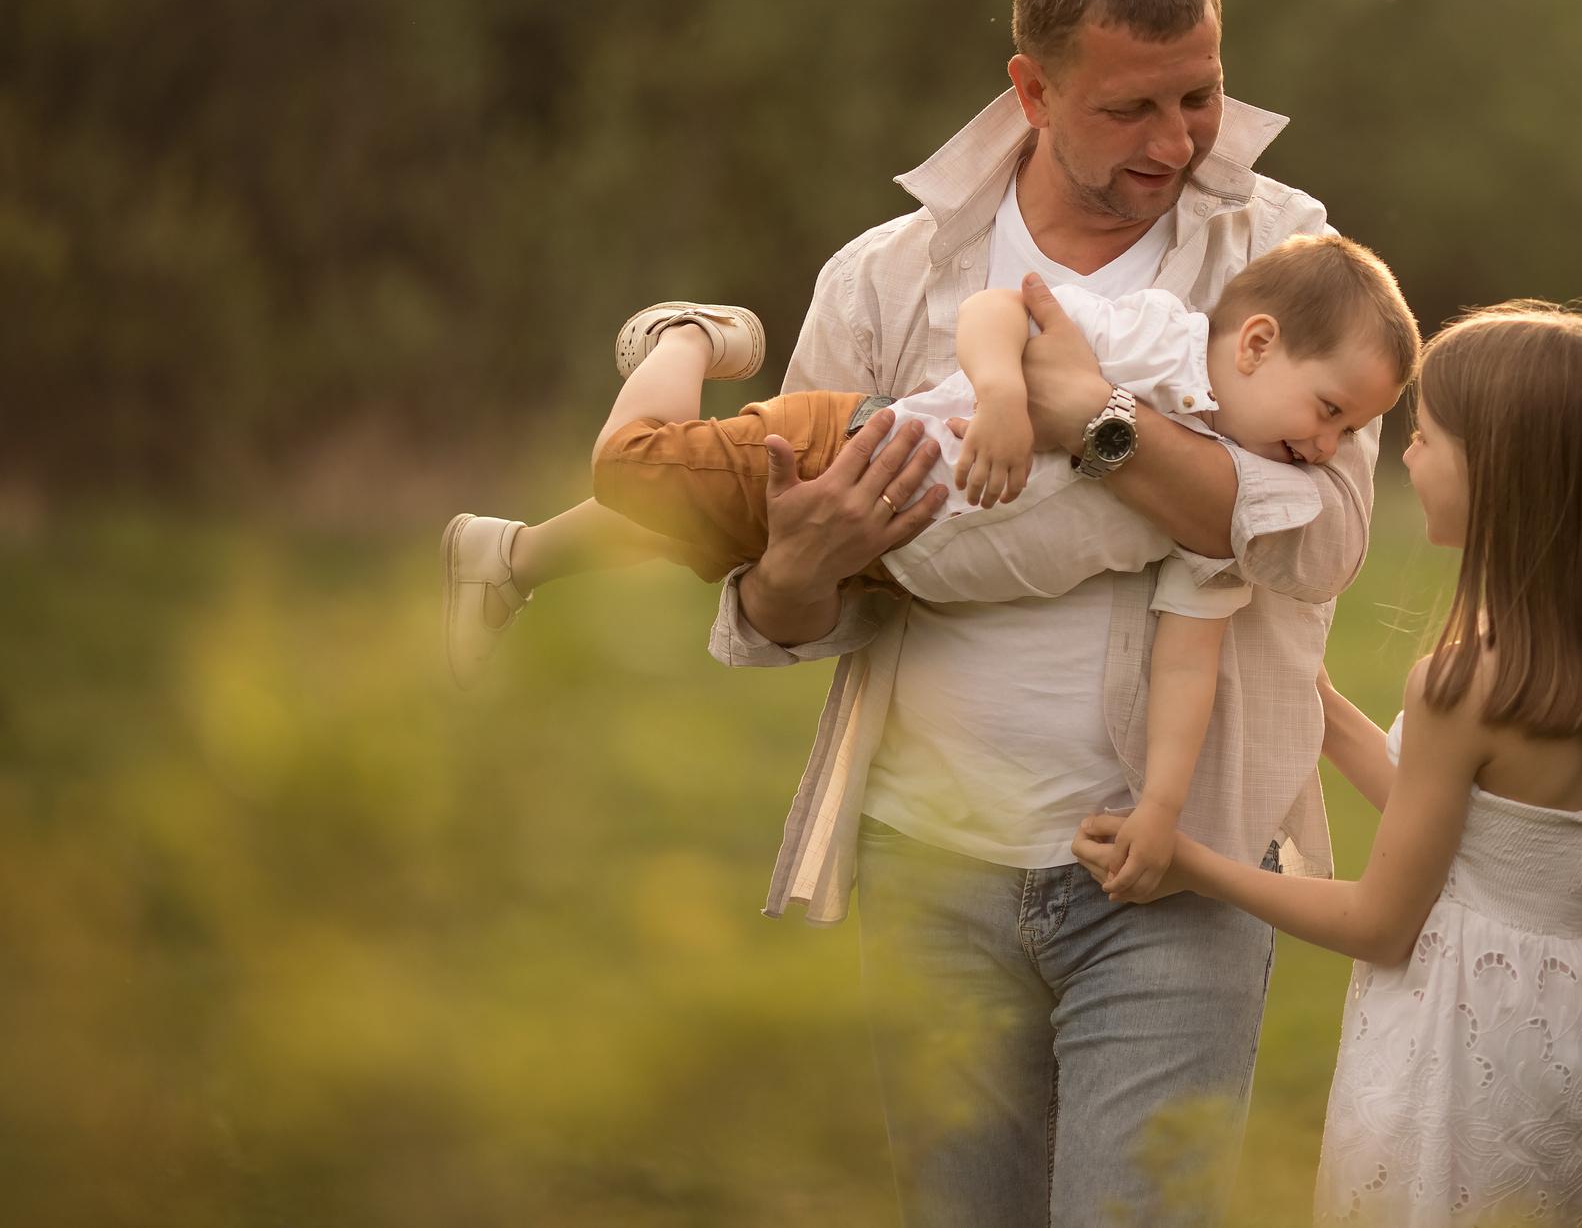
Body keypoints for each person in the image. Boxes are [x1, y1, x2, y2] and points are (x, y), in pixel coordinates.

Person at [481, 0, 1377, 1227]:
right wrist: (800, 560)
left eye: (1201, 93)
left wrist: (1099, 427)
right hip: (934, 867)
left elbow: (1331, 535)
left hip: (1175, 869)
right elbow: (789, 608)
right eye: (1133, 107)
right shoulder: (886, 275)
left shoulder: (1290, 255)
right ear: (1031, 87)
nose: (1180, 141)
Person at [444, 231, 1417, 900]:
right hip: (855, 457)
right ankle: (686, 336)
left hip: (899, 563)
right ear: (1254, 345)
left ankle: (512, 555)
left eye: (1357, 430)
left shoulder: (1227, 507)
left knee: (695, 531)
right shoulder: (1160, 345)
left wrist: (1163, 807)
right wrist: (999, 399)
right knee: (635, 468)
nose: (1331, 448)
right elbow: (998, 311)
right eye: (1329, 411)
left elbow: (1188, 661)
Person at [1075, 303, 1582, 1226]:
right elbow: (1460, 824)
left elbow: (1379, 921)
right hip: (1575, 1013)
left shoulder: (1463, 680)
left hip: (1464, 1032)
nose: (1405, 458)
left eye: (1425, 437)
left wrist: (1194, 862)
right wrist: (1307, 689)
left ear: (1504, 474)